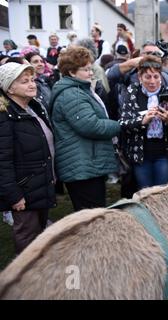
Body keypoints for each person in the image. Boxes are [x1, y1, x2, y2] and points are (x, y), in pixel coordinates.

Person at [50, 47, 121, 211]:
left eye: (91, 68)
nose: (91, 73)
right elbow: (91, 126)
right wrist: (120, 125)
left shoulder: (78, 90)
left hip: (86, 164)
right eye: (86, 69)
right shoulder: (72, 95)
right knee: (91, 218)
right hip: (81, 167)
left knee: (93, 216)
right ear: (72, 72)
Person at [0, 62, 56, 254]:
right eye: (25, 82)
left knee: (40, 236)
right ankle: (22, 279)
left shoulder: (33, 107)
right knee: (27, 238)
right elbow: (2, 161)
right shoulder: (4, 116)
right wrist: (14, 195)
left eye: (32, 80)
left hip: (40, 183)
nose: (32, 84)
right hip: (24, 190)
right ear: (10, 88)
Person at [119, 55, 168, 189]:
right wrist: (142, 121)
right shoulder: (132, 92)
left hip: (164, 153)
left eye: (156, 76)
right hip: (140, 155)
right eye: (147, 77)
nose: (152, 81)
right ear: (140, 77)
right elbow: (123, 123)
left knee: (161, 193)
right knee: (144, 193)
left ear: (161, 76)